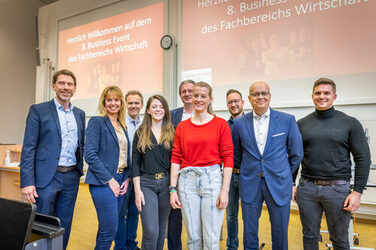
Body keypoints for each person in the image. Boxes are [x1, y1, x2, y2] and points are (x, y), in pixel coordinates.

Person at [293, 78, 371, 250]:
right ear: (312, 96)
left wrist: (357, 192)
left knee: (340, 240)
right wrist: (292, 184)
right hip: (307, 189)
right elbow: (294, 156)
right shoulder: (301, 124)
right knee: (309, 236)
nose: (322, 96)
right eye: (318, 93)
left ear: (334, 96)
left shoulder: (350, 123)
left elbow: (363, 159)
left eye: (326, 93)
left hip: (338, 191)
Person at [232, 81, 303, 250]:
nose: (260, 97)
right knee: (249, 232)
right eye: (256, 94)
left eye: (264, 93)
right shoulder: (240, 123)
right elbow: (236, 155)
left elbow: (296, 154)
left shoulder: (287, 120)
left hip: (279, 183)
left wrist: (282, 172)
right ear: (249, 98)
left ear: (270, 96)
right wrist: (249, 170)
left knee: (280, 232)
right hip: (250, 183)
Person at [20, 69, 85, 249]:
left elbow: (82, 144)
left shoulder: (79, 114)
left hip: (71, 177)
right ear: (53, 86)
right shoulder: (38, 110)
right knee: (41, 224)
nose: (66, 87)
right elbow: (29, 148)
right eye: (62, 83)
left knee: (64, 225)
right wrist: (27, 182)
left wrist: (79, 170)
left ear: (75, 88)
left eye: (70, 84)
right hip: (45, 178)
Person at [170, 81, 234, 250]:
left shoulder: (220, 124)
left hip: (212, 180)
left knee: (211, 238)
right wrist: (172, 189)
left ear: (210, 99)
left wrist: (225, 191)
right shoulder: (182, 127)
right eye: (196, 95)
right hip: (186, 181)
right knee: (193, 237)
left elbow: (228, 158)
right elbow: (176, 157)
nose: (198, 99)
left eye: (203, 96)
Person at [85, 86, 131, 250]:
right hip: (102, 182)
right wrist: (110, 180)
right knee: (110, 230)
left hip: (120, 179)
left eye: (116, 99)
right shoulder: (97, 122)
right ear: (104, 102)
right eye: (109, 99)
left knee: (107, 228)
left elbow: (124, 155)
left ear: (121, 102)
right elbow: (90, 155)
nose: (113, 103)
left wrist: (126, 177)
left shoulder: (122, 125)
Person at [132, 95, 175, 250]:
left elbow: (175, 162)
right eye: (155, 106)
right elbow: (135, 163)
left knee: (161, 229)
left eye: (161, 106)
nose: (158, 109)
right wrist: (137, 191)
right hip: (146, 184)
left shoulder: (172, 131)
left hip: (166, 184)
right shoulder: (141, 132)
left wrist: (173, 188)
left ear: (166, 110)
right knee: (151, 231)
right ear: (148, 110)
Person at [115, 90, 144, 250]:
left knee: (135, 212)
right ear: (126, 104)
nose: (133, 106)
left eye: (136, 103)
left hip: (139, 175)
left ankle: (132, 244)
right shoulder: (119, 123)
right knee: (120, 213)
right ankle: (120, 246)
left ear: (141, 105)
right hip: (123, 175)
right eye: (130, 103)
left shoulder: (145, 123)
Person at [168, 79, 195, 250]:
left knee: (196, 219)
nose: (187, 94)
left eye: (190, 91)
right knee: (174, 219)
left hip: (200, 173)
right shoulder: (172, 115)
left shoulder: (208, 114)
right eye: (184, 91)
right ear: (180, 95)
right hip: (177, 172)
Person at [225, 89, 245, 250]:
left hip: (248, 176)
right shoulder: (224, 126)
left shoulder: (251, 122)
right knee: (231, 215)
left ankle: (249, 245)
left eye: (236, 100)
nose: (233, 104)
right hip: (230, 176)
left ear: (243, 102)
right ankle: (232, 246)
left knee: (249, 216)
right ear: (227, 105)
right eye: (230, 102)